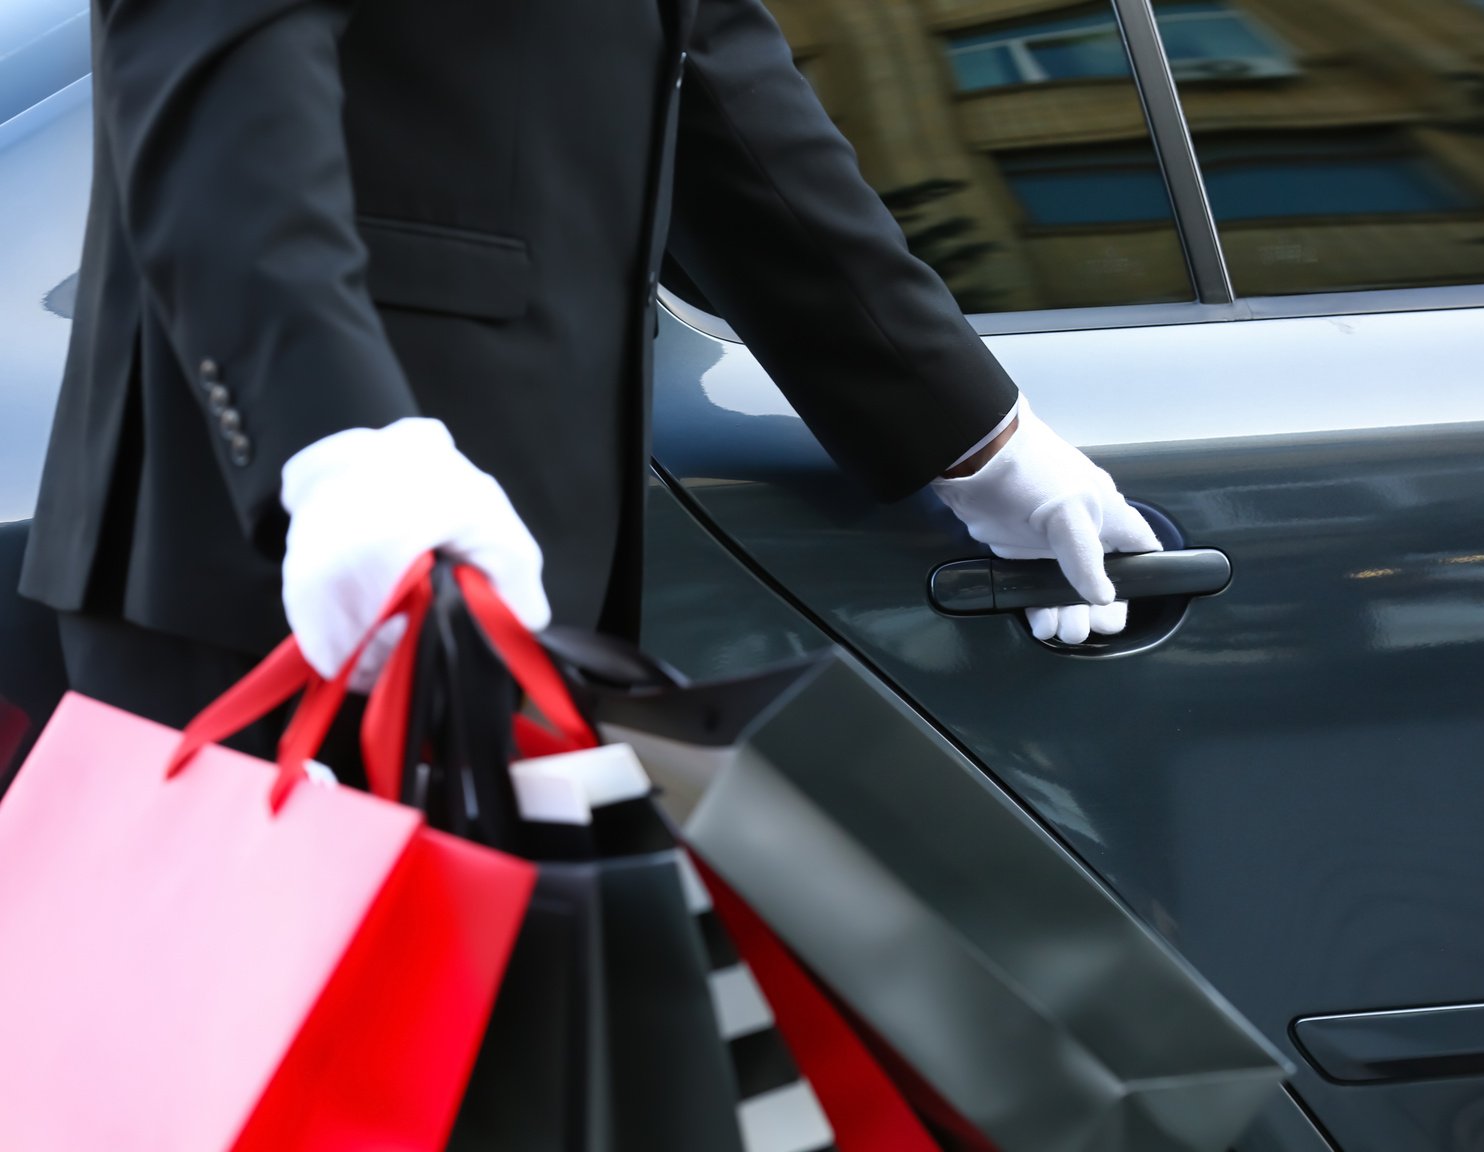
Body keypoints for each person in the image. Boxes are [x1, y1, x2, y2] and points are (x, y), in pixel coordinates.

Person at [19, 0, 1159, 766]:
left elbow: (706, 65)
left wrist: (977, 437)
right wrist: (338, 439)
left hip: (508, 565)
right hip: (301, 560)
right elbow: (216, 60)